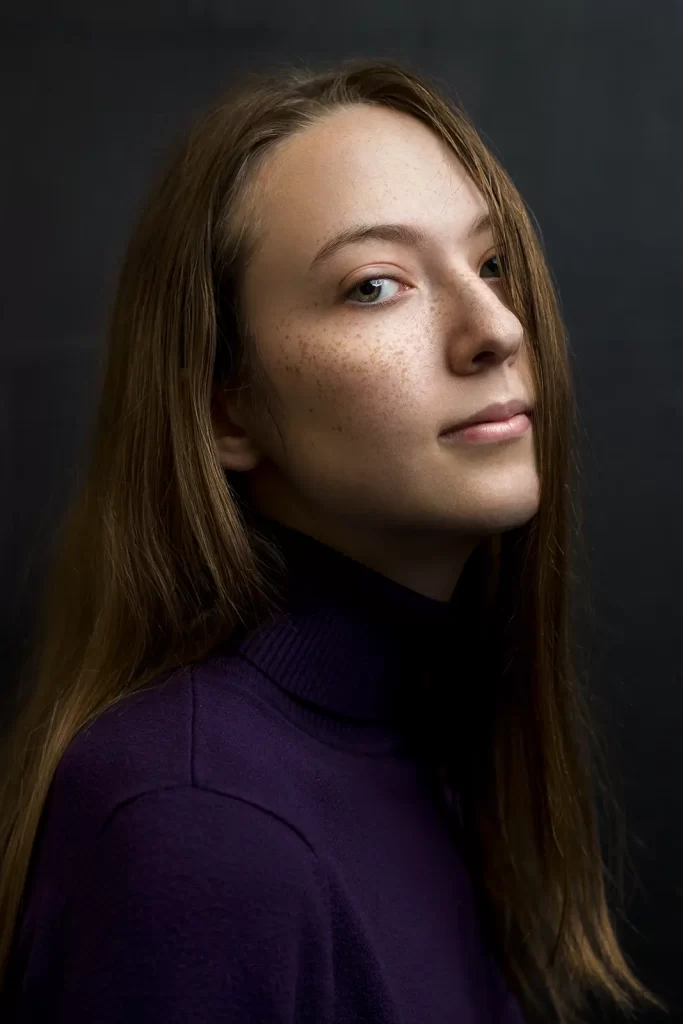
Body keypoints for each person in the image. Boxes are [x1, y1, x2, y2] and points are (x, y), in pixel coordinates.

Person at [0, 59, 668, 1024]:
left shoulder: (423, 743)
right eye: (375, 286)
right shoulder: (193, 827)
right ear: (225, 409)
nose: (495, 328)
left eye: (489, 265)